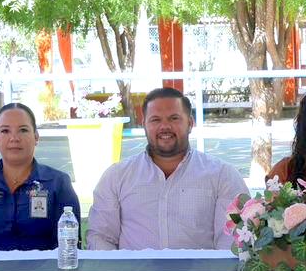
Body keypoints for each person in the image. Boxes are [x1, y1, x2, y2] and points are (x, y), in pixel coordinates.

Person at [87, 87, 248, 250]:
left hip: (200, 268)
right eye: (155, 120)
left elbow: (232, 242)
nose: (165, 126)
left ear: (190, 124)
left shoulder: (223, 176)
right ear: (144, 125)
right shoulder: (116, 176)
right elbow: (101, 237)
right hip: (135, 268)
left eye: (174, 118)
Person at [0, 102, 79, 251]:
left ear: (36, 137)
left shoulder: (58, 183)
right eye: (5, 131)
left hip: (43, 266)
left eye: (23, 130)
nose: (14, 138)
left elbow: (71, 246)